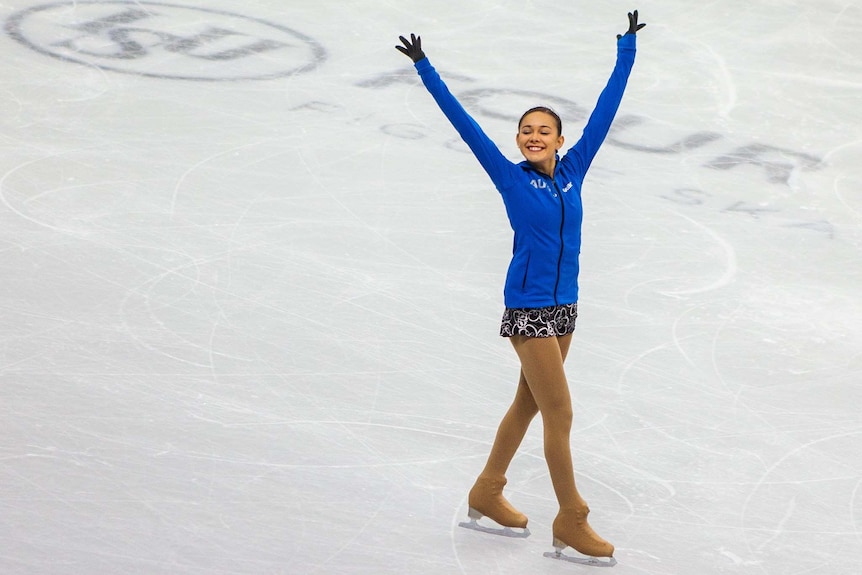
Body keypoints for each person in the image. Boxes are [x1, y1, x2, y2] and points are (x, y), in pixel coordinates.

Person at [396, 11, 645, 561]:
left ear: (559, 140)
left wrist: (626, 51)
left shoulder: (575, 170)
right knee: (561, 414)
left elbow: (606, 113)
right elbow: (464, 124)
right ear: (518, 139)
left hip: (565, 308)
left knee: (529, 407)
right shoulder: (510, 176)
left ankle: (487, 490)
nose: (533, 138)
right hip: (530, 309)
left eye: (544, 132)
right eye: (526, 131)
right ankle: (571, 518)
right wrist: (426, 69)